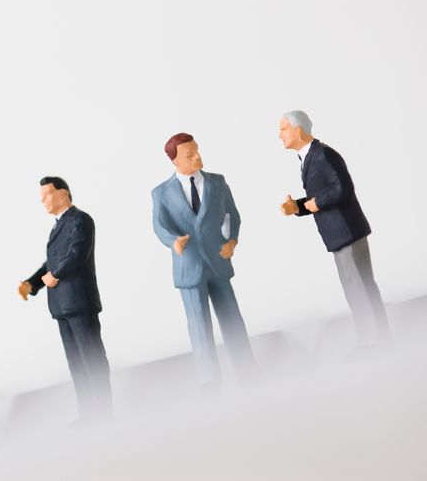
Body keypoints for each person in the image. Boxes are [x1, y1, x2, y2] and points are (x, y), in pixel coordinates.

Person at [278, 111, 391, 355]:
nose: (280, 134)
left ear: (298, 129)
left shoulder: (323, 154)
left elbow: (343, 188)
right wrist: (297, 207)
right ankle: (375, 338)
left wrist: (317, 202)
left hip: (347, 233)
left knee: (359, 288)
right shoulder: (309, 157)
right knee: (356, 288)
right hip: (339, 236)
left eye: (284, 129)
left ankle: (373, 341)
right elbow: (319, 196)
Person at [152, 133, 257, 391]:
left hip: (218, 261)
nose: (197, 157)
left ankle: (246, 368)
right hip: (189, 267)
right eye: (190, 155)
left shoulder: (217, 182)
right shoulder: (161, 193)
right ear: (175, 161)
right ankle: (209, 378)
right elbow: (159, 225)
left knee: (232, 318)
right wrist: (173, 241)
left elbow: (233, 215)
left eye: (197, 150)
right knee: (199, 324)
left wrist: (232, 241)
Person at [18, 177, 112, 421]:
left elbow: (76, 255)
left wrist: (55, 274)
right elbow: (50, 264)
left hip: (79, 301)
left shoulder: (80, 220)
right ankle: (87, 413)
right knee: (76, 363)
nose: (43, 200)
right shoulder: (57, 226)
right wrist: (32, 283)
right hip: (62, 305)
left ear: (64, 193)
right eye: (41, 197)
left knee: (91, 357)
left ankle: (103, 412)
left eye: (47, 194)